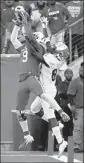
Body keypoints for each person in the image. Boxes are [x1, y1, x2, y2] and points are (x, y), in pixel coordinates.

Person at [10, 5, 70, 152]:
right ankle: (58, 123)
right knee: (34, 109)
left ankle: (61, 139)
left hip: (47, 87)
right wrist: (43, 27)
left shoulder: (50, 58)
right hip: (42, 83)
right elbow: (48, 45)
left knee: (50, 114)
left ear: (60, 55)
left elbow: (41, 47)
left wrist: (26, 23)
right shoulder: (50, 55)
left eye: (58, 50)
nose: (55, 49)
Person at [67, 62, 84, 152]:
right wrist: (73, 107)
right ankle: (76, 146)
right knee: (78, 127)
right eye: (81, 70)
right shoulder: (75, 82)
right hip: (79, 108)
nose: (82, 71)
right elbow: (70, 96)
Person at [56, 69, 74, 143]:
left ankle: (74, 143)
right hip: (65, 107)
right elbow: (60, 93)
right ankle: (66, 143)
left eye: (70, 73)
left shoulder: (75, 83)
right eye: (67, 73)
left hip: (75, 106)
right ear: (65, 75)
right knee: (66, 126)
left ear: (72, 74)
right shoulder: (62, 84)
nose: (69, 75)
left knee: (74, 127)